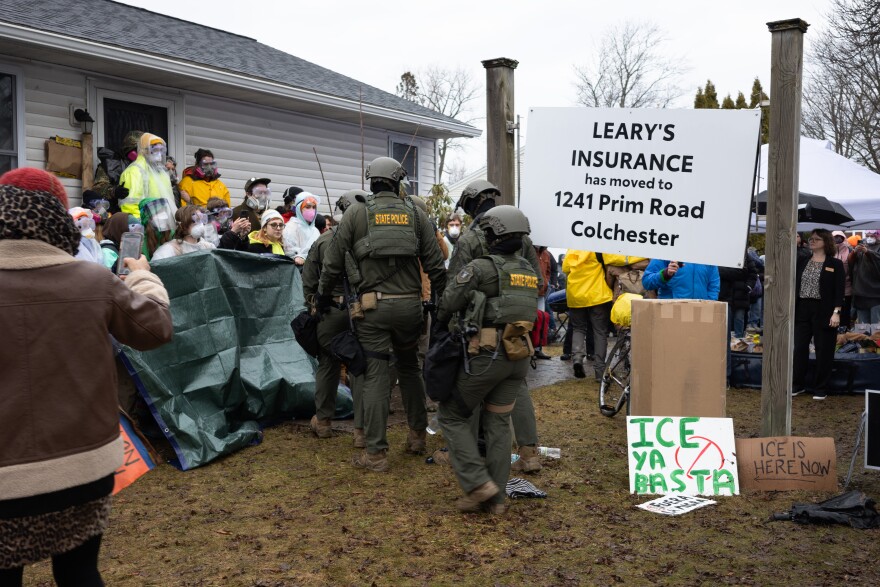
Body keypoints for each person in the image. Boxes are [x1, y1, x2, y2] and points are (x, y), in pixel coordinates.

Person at [0, 170, 173, 586]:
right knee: (79, 573)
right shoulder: (94, 280)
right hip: (83, 467)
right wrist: (143, 275)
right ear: (58, 217)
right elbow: (156, 328)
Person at [316, 156, 446, 472]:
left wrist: (322, 295)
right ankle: (417, 437)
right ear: (398, 182)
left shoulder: (358, 213)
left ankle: (375, 453)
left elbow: (333, 260)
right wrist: (442, 305)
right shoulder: (415, 215)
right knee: (410, 368)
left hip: (372, 309)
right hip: (411, 307)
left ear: (371, 181)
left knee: (375, 373)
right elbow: (436, 267)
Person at [435, 205, 538, 514]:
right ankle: (496, 501)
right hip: (518, 355)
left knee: (451, 415)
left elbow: (449, 302)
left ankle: (478, 483)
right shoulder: (529, 272)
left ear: (493, 236)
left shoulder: (480, 268)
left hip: (487, 355)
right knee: (498, 422)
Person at [446, 180, 544, 468]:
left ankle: (466, 451)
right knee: (516, 385)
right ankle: (529, 453)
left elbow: (454, 285)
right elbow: (536, 282)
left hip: (482, 324)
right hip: (518, 323)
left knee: (472, 380)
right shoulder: (521, 236)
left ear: (473, 204)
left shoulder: (471, 238)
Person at [302, 189, 367, 444]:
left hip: (330, 309)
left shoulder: (323, 241)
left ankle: (324, 422)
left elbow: (309, 280)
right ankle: (361, 430)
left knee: (328, 363)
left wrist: (313, 306)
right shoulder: (370, 238)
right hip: (364, 310)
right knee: (360, 366)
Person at [792, 229, 845, 400]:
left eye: (816, 239)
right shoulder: (802, 260)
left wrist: (836, 312)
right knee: (800, 348)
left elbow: (839, 291)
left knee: (824, 349)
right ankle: (798, 384)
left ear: (826, 242)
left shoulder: (835, 264)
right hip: (802, 308)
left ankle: (820, 387)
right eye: (811, 238)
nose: (812, 241)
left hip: (824, 309)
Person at [563, 250, 613, 381]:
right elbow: (611, 264)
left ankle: (577, 358)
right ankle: (600, 371)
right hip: (598, 295)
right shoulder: (599, 249)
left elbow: (565, 269)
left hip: (576, 295)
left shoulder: (572, 250)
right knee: (600, 332)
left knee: (578, 329)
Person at [118, 133, 177, 218]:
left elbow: (169, 201)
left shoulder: (161, 172)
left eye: (161, 150)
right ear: (144, 150)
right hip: (147, 227)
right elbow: (130, 205)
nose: (159, 153)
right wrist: (140, 227)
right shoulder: (135, 171)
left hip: (165, 225)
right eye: (155, 149)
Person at [93, 130, 142, 213]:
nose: (141, 153)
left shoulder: (147, 165)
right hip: (118, 213)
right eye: (138, 150)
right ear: (130, 150)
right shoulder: (111, 164)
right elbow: (98, 188)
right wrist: (114, 191)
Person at [151, 206, 217, 260]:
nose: (201, 224)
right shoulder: (170, 250)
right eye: (196, 220)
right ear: (182, 225)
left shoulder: (208, 247)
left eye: (201, 220)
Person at [642, 260, 720, 300]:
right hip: (670, 314)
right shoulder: (668, 248)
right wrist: (665, 274)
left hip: (699, 315)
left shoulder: (708, 254)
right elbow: (647, 281)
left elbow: (713, 287)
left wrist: (708, 307)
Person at [849, 231, 880, 326]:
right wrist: (854, 252)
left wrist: (867, 252)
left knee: (876, 328)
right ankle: (864, 341)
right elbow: (850, 263)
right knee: (862, 329)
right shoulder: (861, 247)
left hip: (876, 296)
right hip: (860, 294)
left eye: (872, 236)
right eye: (867, 236)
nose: (869, 238)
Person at [282, 191, 321, 266]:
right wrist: (299, 257)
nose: (312, 210)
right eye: (308, 207)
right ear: (299, 209)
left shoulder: (315, 231)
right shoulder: (290, 227)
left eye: (314, 207)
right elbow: (290, 252)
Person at [832, 231, 854, 330]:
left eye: (839, 236)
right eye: (835, 236)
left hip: (847, 288)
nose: (837, 238)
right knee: (833, 314)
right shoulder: (829, 251)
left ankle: (845, 335)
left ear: (843, 237)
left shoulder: (849, 250)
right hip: (832, 289)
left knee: (845, 314)